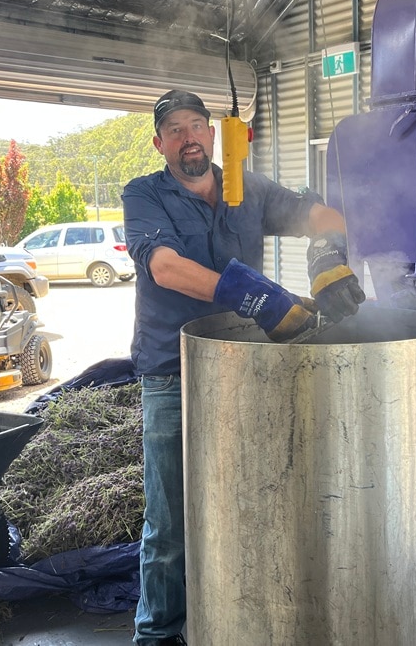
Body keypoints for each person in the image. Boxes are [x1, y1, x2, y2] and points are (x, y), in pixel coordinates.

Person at [122, 89, 365, 645]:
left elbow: (321, 215)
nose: (188, 138)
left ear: (214, 134)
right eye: (174, 131)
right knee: (170, 523)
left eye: (196, 126)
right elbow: (165, 268)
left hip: (244, 369)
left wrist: (327, 253)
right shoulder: (144, 195)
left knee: (251, 500)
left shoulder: (246, 187)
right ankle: (157, 635)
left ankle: (240, 623)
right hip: (172, 374)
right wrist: (256, 296)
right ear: (160, 145)